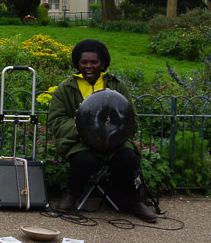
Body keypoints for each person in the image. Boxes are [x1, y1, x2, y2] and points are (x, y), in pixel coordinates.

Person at [46, 39, 157, 222]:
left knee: (128, 157)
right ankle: (71, 195)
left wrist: (117, 134)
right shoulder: (65, 88)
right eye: (84, 62)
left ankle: (136, 201)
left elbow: (132, 119)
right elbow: (56, 122)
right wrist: (83, 128)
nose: (88, 66)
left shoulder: (117, 86)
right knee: (84, 159)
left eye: (94, 62)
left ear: (102, 64)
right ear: (78, 64)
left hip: (114, 142)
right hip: (80, 142)